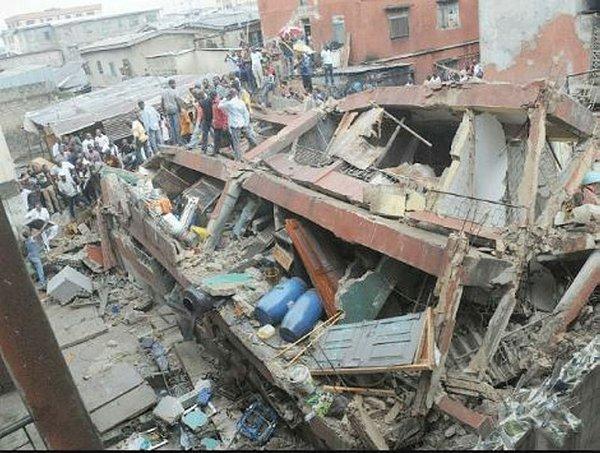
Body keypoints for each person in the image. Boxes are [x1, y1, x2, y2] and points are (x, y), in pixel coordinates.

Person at [219, 88, 257, 160]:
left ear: (230, 95)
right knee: (249, 136)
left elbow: (220, 106)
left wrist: (225, 98)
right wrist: (246, 122)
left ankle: (238, 158)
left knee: (236, 142)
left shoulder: (229, 103)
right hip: (242, 123)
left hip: (235, 126)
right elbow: (245, 113)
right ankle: (254, 145)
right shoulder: (241, 102)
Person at [161, 78, 182, 145]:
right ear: (171, 84)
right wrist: (180, 109)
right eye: (174, 84)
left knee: (172, 127)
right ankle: (179, 141)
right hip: (174, 109)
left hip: (168, 110)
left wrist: (164, 111)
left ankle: (175, 142)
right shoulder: (174, 91)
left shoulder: (163, 92)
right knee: (177, 126)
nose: (175, 85)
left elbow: (162, 103)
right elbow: (177, 101)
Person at [211, 92, 230, 157]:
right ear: (216, 97)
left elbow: (225, 115)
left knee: (227, 137)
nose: (219, 97)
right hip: (217, 124)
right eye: (218, 96)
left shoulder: (219, 105)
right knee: (217, 138)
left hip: (221, 124)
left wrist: (225, 124)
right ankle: (216, 151)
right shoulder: (216, 104)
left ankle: (233, 148)